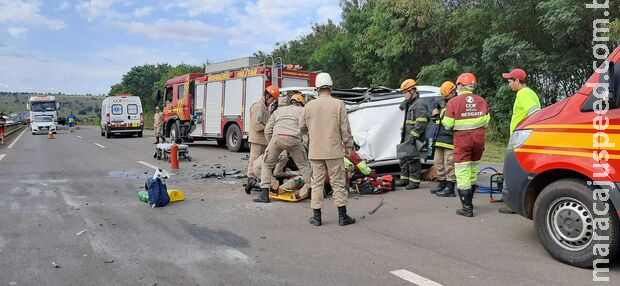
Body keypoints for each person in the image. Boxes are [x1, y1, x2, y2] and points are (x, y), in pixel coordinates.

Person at [302, 72, 356, 226]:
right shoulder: (338, 104)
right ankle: (342, 216)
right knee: (338, 183)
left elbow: (301, 126)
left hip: (315, 151)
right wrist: (349, 146)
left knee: (317, 183)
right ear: (330, 87)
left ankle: (317, 217)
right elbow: (345, 130)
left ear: (316, 88)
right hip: (333, 151)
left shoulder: (309, 106)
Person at [443, 73, 490, 217]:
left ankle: (467, 208)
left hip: (463, 140)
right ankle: (470, 202)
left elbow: (447, 125)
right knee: (473, 170)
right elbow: (486, 121)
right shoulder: (481, 100)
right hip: (479, 139)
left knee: (462, 172)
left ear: (461, 85)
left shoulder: (453, 102)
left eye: (457, 85)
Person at [254, 93, 312, 203]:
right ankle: (311, 190)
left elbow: (267, 130)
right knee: (304, 166)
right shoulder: (302, 111)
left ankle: (264, 195)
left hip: (277, 138)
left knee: (266, 165)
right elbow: (306, 130)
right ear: (301, 104)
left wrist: (271, 143)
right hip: (294, 139)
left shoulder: (278, 111)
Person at [394, 79, 429, 190]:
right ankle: (404, 179)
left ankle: (414, 181)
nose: (404, 95)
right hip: (407, 135)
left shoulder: (419, 104)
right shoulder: (410, 103)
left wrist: (414, 135)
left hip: (414, 136)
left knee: (413, 159)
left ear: (413, 90)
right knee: (404, 157)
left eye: (405, 92)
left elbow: (422, 122)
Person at [246, 85, 279, 192]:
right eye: (272, 99)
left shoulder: (265, 107)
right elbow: (257, 125)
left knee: (262, 163)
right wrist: (269, 129)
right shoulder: (258, 107)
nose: (272, 101)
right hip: (257, 139)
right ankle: (250, 180)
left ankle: (258, 181)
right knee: (254, 161)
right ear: (267, 96)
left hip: (263, 139)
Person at [431, 81, 458, 198]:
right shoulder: (442, 104)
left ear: (453, 92)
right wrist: (436, 117)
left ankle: (450, 187)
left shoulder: (457, 103)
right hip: (440, 138)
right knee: (438, 163)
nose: (444, 97)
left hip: (451, 139)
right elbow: (440, 123)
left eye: (446, 95)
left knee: (449, 164)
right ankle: (442, 183)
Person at [502, 68, 541, 135]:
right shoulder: (530, 92)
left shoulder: (522, 93)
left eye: (510, 82)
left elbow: (535, 114)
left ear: (517, 81)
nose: (509, 85)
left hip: (521, 136)